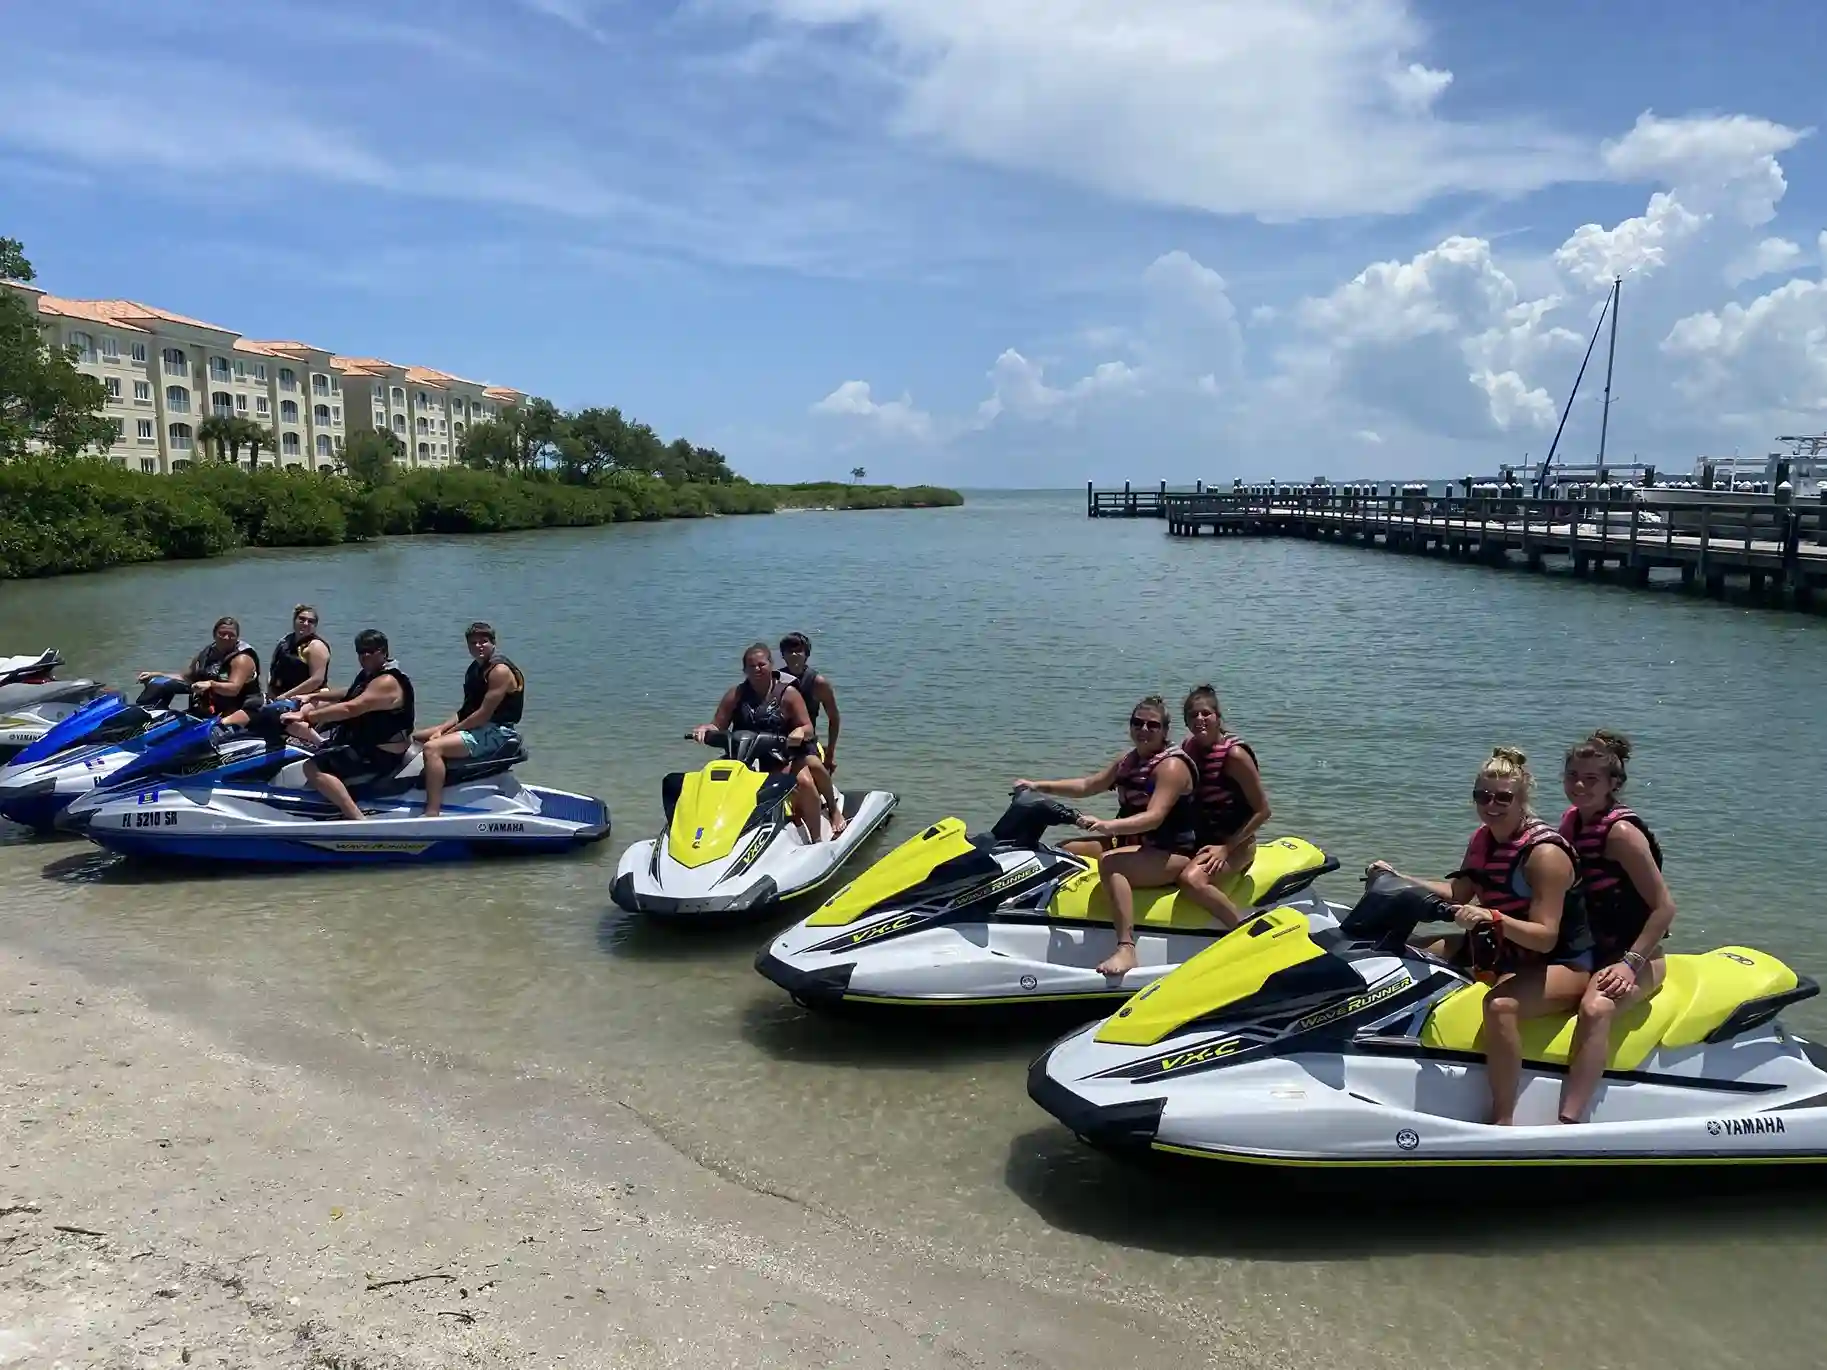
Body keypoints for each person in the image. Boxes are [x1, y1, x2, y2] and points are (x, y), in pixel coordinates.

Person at [1366, 746, 1592, 1126]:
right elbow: (1459, 894)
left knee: (1502, 1006)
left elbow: (1545, 938)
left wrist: (1492, 916)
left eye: (1504, 797)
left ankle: (1502, 1117)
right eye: (1483, 796)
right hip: (1503, 946)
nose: (1492, 804)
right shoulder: (1483, 840)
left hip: (1563, 961)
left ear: (1523, 800)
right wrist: (1398, 878)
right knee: (1405, 953)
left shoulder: (1544, 855)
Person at [1014, 695, 1203, 977]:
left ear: (1164, 731)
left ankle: (1127, 948)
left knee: (1112, 863)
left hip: (1172, 853)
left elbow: (1154, 817)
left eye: (1153, 725)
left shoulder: (1171, 767)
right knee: (1065, 849)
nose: (1144, 729)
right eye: (1138, 723)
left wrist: (1106, 825)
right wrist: (1037, 786)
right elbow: (1088, 785)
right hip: (1133, 843)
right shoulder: (1128, 760)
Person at [1557, 730, 1676, 1124]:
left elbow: (1664, 908)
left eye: (1590, 779)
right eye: (1572, 775)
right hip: (1587, 950)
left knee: (1595, 1008)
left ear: (1613, 784)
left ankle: (1570, 1119)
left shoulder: (1621, 833)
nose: (1578, 785)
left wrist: (1629, 964)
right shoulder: (1572, 822)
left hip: (1637, 955)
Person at [692, 642, 831, 843]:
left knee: (804, 783)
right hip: (744, 756)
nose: (757, 669)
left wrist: (800, 731)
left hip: (783, 755)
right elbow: (717, 725)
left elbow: (808, 726)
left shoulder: (788, 694)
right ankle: (710, 835)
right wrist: (705, 729)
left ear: (771, 665)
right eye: (751, 666)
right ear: (744, 670)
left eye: (761, 664)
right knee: (712, 781)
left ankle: (816, 840)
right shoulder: (736, 694)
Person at [281, 629, 415, 822]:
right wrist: (313, 695)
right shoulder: (371, 674)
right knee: (322, 747)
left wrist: (307, 717)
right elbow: (351, 693)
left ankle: (356, 818)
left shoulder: (387, 681)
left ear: (383, 652)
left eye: (370, 651)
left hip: (382, 754)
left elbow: (352, 708)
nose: (365, 656)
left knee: (312, 767)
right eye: (361, 651)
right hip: (367, 746)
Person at [1175, 685, 1273, 936]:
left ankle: (1245, 931)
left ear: (1218, 717)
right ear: (1186, 722)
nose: (1200, 719)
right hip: (1200, 839)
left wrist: (1226, 848)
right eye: (1193, 715)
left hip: (1236, 843)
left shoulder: (1235, 756)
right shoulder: (1188, 747)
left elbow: (1263, 810)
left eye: (1206, 713)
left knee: (1191, 881)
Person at [412, 622, 525, 818]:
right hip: (481, 727)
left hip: (497, 731)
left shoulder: (499, 671)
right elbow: (465, 711)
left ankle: (432, 811)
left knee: (432, 748)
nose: (479, 646)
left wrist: (445, 734)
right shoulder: (475, 669)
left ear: (493, 642)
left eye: (484, 641)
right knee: (416, 737)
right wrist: (442, 730)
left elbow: (483, 714)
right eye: (473, 643)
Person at [778, 632, 846, 836]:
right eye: (790, 651)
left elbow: (834, 717)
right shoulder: (777, 680)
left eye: (799, 650)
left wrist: (831, 753)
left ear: (806, 654)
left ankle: (833, 810)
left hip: (806, 741)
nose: (794, 655)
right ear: (783, 655)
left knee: (815, 765)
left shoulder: (818, 682)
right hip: (779, 740)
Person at [137, 616, 263, 726]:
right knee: (161, 687)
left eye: (231, 635)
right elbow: (187, 677)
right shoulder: (207, 654)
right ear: (214, 634)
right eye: (222, 633)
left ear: (237, 637)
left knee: (213, 728)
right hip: (211, 708)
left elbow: (233, 689)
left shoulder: (242, 659)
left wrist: (210, 684)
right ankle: (140, 720)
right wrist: (159, 675)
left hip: (239, 709)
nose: (226, 637)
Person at [268, 604, 331, 702]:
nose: (305, 623)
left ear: (315, 626)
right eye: (302, 619)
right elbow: (273, 669)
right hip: (281, 694)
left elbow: (317, 680)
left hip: (309, 697)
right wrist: (271, 692)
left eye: (311, 621)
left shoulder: (316, 647)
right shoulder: (285, 642)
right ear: (294, 621)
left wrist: (285, 696)